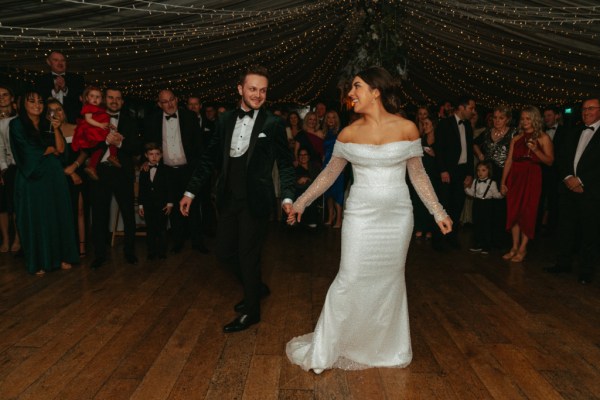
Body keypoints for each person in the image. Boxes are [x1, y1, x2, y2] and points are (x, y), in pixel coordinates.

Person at [285, 66, 451, 374]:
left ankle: (384, 348)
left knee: (389, 281)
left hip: (397, 217)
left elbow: (418, 174)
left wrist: (438, 211)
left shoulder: (407, 129)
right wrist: (301, 202)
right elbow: (329, 174)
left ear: (376, 91)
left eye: (357, 87)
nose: (350, 94)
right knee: (349, 278)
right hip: (361, 218)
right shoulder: (349, 133)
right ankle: (331, 346)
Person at [179, 65, 295, 333]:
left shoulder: (273, 124)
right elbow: (208, 160)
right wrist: (189, 192)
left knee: (248, 255)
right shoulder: (224, 120)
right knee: (223, 254)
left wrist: (288, 196)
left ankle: (252, 311)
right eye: (252, 89)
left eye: (263, 90)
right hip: (228, 199)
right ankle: (256, 287)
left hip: (256, 201)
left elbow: (286, 165)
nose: (258, 95)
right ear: (240, 89)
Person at [9, 91, 79, 275]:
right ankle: (38, 261)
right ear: (23, 104)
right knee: (36, 219)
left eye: (40, 101)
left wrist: (56, 129)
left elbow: (61, 149)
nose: (37, 104)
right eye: (31, 101)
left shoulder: (48, 123)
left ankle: (62, 257)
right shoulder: (16, 124)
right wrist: (48, 149)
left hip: (54, 176)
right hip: (31, 177)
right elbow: (25, 151)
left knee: (58, 214)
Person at [544, 96, 600, 284]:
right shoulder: (573, 131)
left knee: (589, 232)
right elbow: (561, 157)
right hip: (568, 189)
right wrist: (568, 178)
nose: (586, 112)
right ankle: (563, 263)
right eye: (584, 109)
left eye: (591, 108)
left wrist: (581, 181)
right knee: (565, 228)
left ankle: (586, 271)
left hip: (591, 192)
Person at [143, 89, 205, 253]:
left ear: (177, 100)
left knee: (194, 206)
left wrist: (199, 169)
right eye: (165, 101)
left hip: (189, 169)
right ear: (159, 104)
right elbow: (149, 145)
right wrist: (145, 161)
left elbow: (199, 146)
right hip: (167, 171)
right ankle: (178, 242)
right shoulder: (152, 121)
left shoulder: (190, 117)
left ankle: (198, 242)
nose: (169, 104)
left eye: (171, 100)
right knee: (173, 207)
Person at [89, 88, 140, 269]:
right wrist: (105, 141)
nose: (114, 101)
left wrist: (119, 142)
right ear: (105, 99)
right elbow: (87, 145)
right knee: (99, 215)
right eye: (111, 97)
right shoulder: (94, 119)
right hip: (100, 171)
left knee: (128, 213)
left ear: (122, 102)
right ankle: (100, 255)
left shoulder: (130, 121)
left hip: (122, 172)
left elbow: (135, 147)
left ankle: (129, 252)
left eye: (118, 98)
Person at [500, 106, 554, 262]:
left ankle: (523, 249)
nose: (524, 121)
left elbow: (550, 161)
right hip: (515, 176)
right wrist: (503, 182)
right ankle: (514, 246)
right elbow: (509, 161)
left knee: (527, 212)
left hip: (532, 176)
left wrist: (536, 150)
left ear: (535, 119)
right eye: (522, 118)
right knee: (514, 212)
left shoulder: (543, 137)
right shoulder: (516, 138)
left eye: (528, 118)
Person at [48, 98, 88, 258]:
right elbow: (51, 156)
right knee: (59, 212)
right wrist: (69, 171)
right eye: (52, 110)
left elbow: (85, 151)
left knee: (79, 210)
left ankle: (81, 246)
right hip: (56, 175)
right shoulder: (46, 132)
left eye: (59, 109)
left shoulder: (77, 128)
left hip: (77, 172)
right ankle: (61, 248)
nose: (57, 113)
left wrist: (75, 167)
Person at [434, 95, 476, 249]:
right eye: (471, 108)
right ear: (462, 107)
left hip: (462, 171)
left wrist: (470, 173)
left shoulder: (467, 126)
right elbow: (439, 149)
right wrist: (443, 170)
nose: (473, 111)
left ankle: (452, 238)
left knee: (457, 206)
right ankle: (439, 241)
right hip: (448, 172)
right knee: (444, 206)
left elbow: (470, 152)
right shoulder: (445, 124)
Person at [473, 105, 517, 248]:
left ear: (508, 119)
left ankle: (498, 241)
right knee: (486, 208)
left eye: (501, 118)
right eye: (495, 118)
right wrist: (480, 155)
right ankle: (485, 240)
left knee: (501, 209)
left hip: (504, 174)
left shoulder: (514, 133)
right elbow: (474, 143)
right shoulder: (487, 132)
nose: (497, 121)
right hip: (488, 174)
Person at [72, 86, 121, 181]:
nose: (95, 99)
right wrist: (100, 125)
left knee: (109, 141)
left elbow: (102, 119)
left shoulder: (99, 109)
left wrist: (110, 125)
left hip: (98, 129)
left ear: (101, 99)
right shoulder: (88, 107)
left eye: (98, 97)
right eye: (92, 96)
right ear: (86, 98)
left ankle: (110, 157)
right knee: (102, 144)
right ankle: (95, 165)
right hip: (91, 131)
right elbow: (88, 119)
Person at [138, 143, 173, 260]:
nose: (154, 157)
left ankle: (162, 252)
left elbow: (169, 187)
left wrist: (169, 203)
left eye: (157, 154)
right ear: (146, 155)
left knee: (162, 229)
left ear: (161, 155)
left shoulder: (166, 169)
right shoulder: (143, 170)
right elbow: (141, 189)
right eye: (151, 154)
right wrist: (141, 205)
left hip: (162, 205)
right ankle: (151, 252)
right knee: (150, 229)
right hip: (148, 205)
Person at [34, 51, 85, 123]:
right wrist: (55, 91)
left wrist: (65, 89)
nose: (60, 63)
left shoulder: (77, 79)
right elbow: (40, 100)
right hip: (47, 122)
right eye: (55, 60)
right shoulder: (40, 80)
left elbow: (80, 100)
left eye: (63, 60)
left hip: (72, 121)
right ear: (48, 62)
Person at [465, 161, 503, 255]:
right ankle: (478, 244)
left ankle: (487, 245)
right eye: (478, 170)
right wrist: (466, 188)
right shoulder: (475, 181)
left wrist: (502, 194)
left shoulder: (492, 183)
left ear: (489, 171)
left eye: (483, 170)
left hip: (487, 205)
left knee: (486, 225)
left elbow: (496, 195)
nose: (480, 173)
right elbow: (472, 193)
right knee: (477, 224)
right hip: (477, 204)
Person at [411, 117, 438, 240]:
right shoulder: (420, 140)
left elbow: (443, 158)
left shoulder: (439, 140)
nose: (425, 126)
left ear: (433, 125)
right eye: (423, 124)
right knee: (419, 200)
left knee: (432, 199)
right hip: (421, 172)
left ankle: (430, 229)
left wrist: (434, 154)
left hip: (434, 173)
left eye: (427, 124)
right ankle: (420, 227)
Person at [0, 85, 20, 252]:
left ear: (12, 98)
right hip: (2, 167)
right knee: (2, 206)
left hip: (15, 167)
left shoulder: (19, 119)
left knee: (15, 205)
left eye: (5, 94)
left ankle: (18, 239)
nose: (2, 98)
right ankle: (6, 239)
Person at [322, 110, 344, 228]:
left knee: (337, 192)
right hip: (326, 165)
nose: (330, 120)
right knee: (328, 192)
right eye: (328, 117)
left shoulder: (341, 132)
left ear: (337, 120)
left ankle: (339, 220)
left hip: (337, 164)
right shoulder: (325, 133)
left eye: (333, 118)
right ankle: (330, 218)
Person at [294, 147, 321, 228]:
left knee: (309, 195)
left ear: (308, 156)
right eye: (300, 155)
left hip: (312, 191)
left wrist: (308, 179)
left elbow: (318, 180)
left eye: (305, 154)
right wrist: (298, 181)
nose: (303, 156)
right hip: (299, 190)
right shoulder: (295, 168)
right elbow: (292, 182)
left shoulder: (314, 167)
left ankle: (311, 220)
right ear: (298, 157)